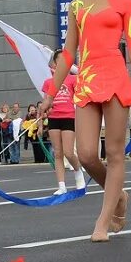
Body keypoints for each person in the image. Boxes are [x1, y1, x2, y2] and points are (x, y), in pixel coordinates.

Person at [52, 0, 131, 243]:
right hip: (86, 80)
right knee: (84, 154)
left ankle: (103, 219)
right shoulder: (77, 6)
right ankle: (119, 196)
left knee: (114, 153)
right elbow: (68, 53)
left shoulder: (125, 3)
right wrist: (50, 94)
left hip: (116, 77)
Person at [43, 50, 86, 195]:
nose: (62, 63)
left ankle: (78, 171)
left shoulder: (72, 79)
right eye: (59, 60)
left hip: (68, 116)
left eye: (65, 61)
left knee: (68, 151)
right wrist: (44, 110)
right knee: (58, 153)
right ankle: (61, 185)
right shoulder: (48, 82)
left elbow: (80, 93)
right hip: (54, 117)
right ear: (54, 63)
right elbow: (45, 101)